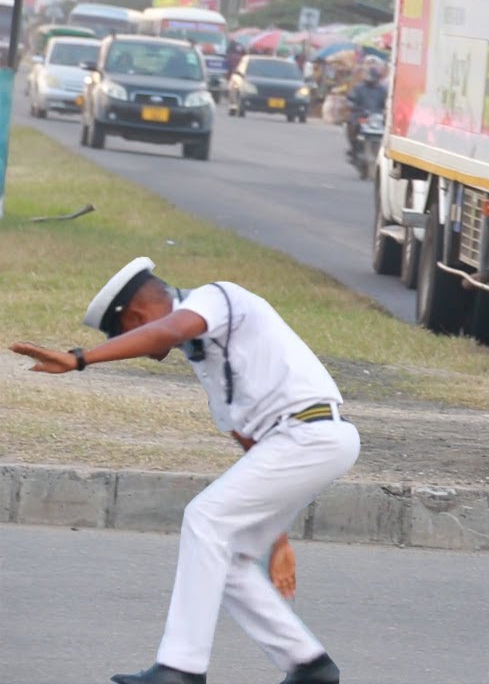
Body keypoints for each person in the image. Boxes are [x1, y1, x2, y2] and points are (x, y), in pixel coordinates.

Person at [9, 258, 360, 684]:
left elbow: (170, 330)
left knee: (204, 519)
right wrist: (277, 537)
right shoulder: (209, 360)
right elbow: (253, 450)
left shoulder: (218, 297)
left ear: (135, 315)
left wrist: (80, 359)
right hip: (297, 444)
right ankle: (309, 666)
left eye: (125, 334)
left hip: (311, 434)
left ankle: (181, 668)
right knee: (226, 554)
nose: (138, 345)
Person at [345, 64, 387, 158]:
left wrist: (384, 111)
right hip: (361, 115)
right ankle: (354, 147)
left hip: (377, 117)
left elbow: (386, 103)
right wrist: (352, 106)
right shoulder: (359, 88)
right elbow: (350, 99)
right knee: (352, 124)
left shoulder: (382, 90)